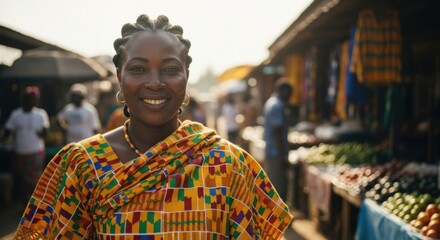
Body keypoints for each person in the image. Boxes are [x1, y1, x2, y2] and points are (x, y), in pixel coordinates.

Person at [13, 14, 293, 239]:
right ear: (119, 76)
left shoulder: (227, 165)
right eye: (138, 69)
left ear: (187, 78)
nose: (155, 82)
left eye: (171, 69)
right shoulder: (83, 165)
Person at [1, 86, 50, 207]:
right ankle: (27, 204)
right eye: (28, 98)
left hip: (36, 152)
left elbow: (46, 133)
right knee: (23, 180)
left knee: (34, 179)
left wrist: (41, 132)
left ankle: (36, 204)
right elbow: (7, 132)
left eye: (33, 99)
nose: (31, 101)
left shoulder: (41, 114)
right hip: (20, 152)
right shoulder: (16, 115)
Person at [263, 80, 293, 202]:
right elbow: (277, 131)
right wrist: (283, 155)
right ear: (284, 91)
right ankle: (278, 218)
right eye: (290, 93)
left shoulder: (271, 102)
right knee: (278, 187)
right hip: (276, 153)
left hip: (272, 151)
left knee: (273, 186)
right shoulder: (277, 105)